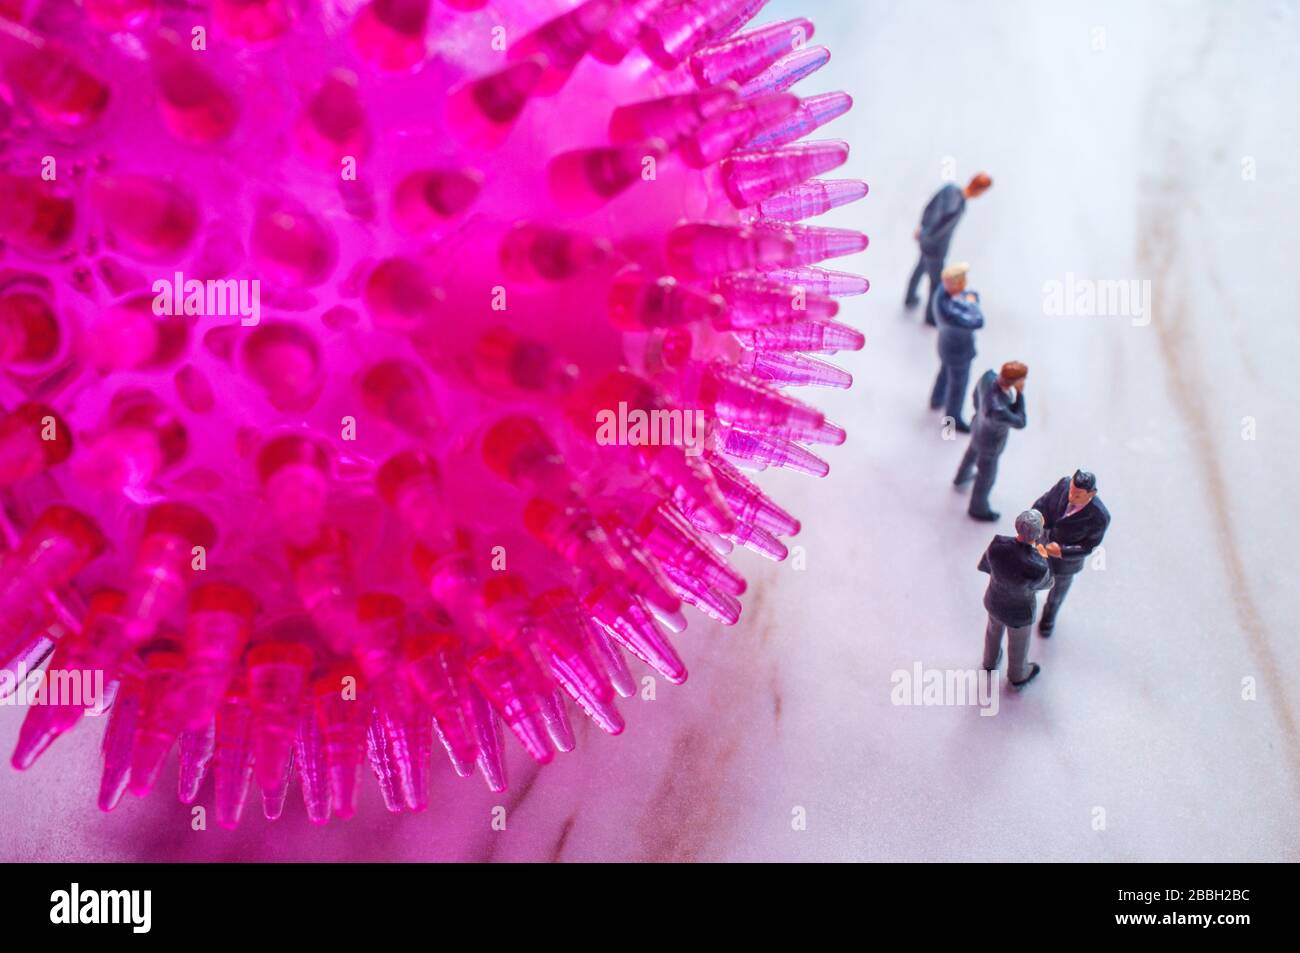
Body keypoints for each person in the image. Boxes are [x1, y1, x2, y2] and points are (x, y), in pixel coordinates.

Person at [1030, 470, 1111, 636]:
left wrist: (1063, 551)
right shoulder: (1063, 485)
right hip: (1041, 547)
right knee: (1032, 579)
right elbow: (1042, 503)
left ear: (1092, 494)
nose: (1071, 496)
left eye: (1078, 495)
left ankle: (1049, 618)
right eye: (1072, 490)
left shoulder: (1099, 517)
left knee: (1057, 594)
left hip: (1065, 564)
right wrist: (1035, 523)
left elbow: (1089, 546)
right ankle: (1027, 601)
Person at [978, 509, 1053, 688]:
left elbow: (986, 565)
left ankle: (989, 662)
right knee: (1018, 645)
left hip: (994, 602)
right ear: (1039, 534)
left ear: (1017, 525)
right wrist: (1043, 556)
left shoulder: (997, 544)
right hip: (1019, 613)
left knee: (992, 634)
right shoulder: (1037, 565)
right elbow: (1047, 584)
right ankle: (1017, 675)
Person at [905, 172, 993, 321]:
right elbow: (938, 226)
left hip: (926, 240)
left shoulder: (950, 189)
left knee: (920, 268)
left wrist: (922, 229)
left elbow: (930, 207)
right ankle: (931, 317)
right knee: (936, 283)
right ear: (979, 191)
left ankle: (910, 299)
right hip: (935, 248)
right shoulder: (957, 206)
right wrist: (927, 233)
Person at [956, 361, 1028, 521]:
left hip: (978, 427)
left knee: (971, 453)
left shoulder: (988, 376)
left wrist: (979, 415)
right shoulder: (998, 409)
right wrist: (1020, 395)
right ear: (1017, 382)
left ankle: (961, 477)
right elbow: (1020, 422)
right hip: (990, 444)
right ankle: (978, 508)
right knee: (986, 477)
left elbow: (975, 396)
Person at [929, 262, 983, 431]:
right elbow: (978, 321)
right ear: (955, 284)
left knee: (945, 373)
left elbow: (971, 294)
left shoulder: (941, 293)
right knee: (957, 388)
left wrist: (969, 299)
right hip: (958, 353)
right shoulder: (951, 313)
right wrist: (972, 303)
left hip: (946, 347)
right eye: (962, 280)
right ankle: (952, 421)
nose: (965, 283)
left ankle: (936, 399)